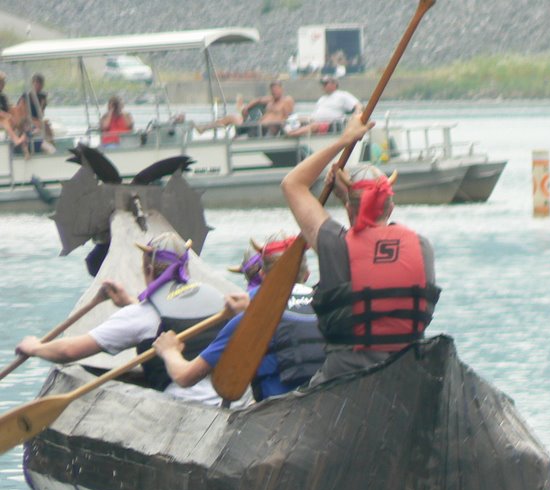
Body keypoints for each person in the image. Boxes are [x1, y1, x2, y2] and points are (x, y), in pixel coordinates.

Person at [281, 116, 440, 384]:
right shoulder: (422, 246)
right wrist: (348, 198)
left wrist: (344, 139)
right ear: (391, 206)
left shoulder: (335, 244)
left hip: (344, 376)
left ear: (348, 206)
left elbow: (292, 184)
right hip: (407, 374)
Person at [15, 232, 248, 408]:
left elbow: (69, 351)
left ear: (146, 269)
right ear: (185, 267)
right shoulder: (219, 300)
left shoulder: (142, 315)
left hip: (187, 408)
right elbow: (170, 319)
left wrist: (35, 347)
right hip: (234, 403)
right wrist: (128, 301)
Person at [152, 234, 325, 402]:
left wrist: (169, 351)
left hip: (280, 416)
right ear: (308, 274)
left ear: (262, 275)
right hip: (323, 403)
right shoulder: (326, 306)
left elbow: (185, 377)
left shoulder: (252, 317)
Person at [195, 81, 295, 137]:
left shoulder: (286, 100)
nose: (274, 93)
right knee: (231, 118)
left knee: (238, 124)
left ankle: (235, 137)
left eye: (276, 90)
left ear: (281, 89)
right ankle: (204, 128)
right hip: (256, 124)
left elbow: (288, 117)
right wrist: (247, 107)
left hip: (265, 129)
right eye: (272, 91)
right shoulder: (271, 100)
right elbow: (258, 100)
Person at [286, 76, 360, 137]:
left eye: (325, 84)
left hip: (331, 125)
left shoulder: (342, 95)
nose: (323, 86)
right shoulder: (322, 99)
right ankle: (287, 132)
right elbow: (314, 115)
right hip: (315, 121)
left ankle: (292, 134)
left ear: (334, 84)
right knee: (295, 117)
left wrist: (356, 115)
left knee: (314, 126)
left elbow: (358, 105)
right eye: (322, 84)